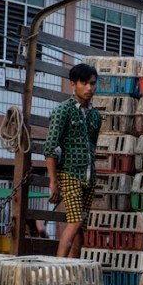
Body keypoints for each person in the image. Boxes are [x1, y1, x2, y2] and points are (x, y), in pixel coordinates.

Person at [43, 63, 102, 258]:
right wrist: (53, 181)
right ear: (73, 85)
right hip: (69, 174)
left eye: (92, 83)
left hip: (89, 176)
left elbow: (92, 146)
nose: (89, 88)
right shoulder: (63, 111)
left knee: (80, 226)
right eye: (84, 83)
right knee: (76, 222)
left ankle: (73, 268)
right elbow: (50, 147)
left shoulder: (95, 116)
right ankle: (58, 267)